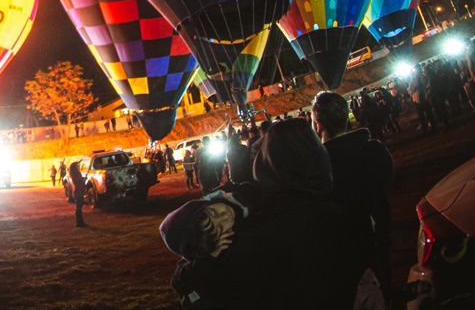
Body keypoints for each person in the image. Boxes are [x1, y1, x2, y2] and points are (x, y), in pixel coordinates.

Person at [159, 118, 373, 309]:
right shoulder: (355, 214)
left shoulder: (250, 241)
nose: (223, 218)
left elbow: (195, 294)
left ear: (265, 167)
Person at [312, 90, 394, 303]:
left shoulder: (318, 169)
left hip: (345, 261)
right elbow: (386, 182)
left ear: (317, 125)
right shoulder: (374, 150)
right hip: (381, 244)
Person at [69, 160, 88, 228]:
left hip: (79, 191)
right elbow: (77, 181)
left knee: (79, 207)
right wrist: (83, 180)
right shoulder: (75, 173)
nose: (78, 166)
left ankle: (80, 222)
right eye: (77, 165)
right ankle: (79, 222)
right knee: (78, 208)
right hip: (78, 191)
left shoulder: (75, 173)